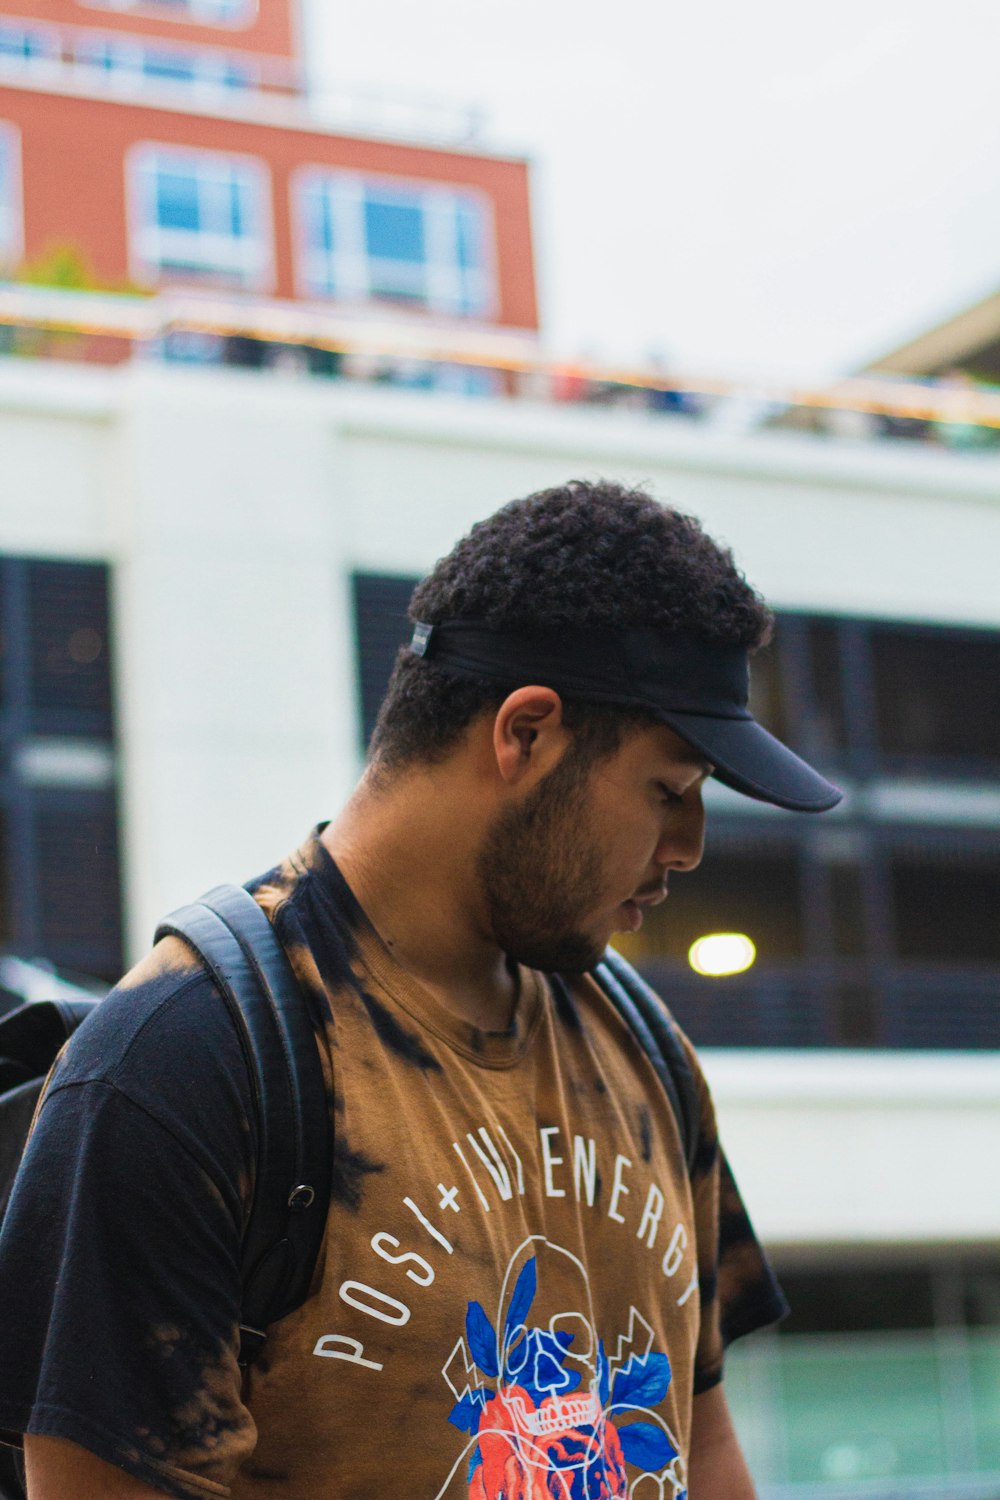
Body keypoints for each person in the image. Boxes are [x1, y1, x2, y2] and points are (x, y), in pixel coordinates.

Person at [0, 479, 841, 1500]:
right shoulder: (181, 1063)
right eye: (669, 790)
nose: (690, 847)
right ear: (525, 734)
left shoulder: (642, 1044)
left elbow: (699, 1444)